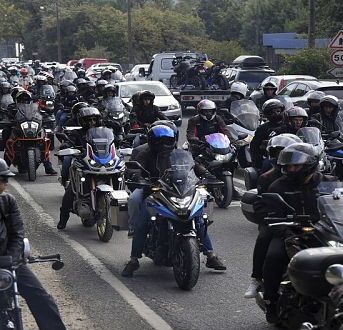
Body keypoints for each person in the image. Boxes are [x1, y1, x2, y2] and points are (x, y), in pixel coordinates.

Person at [261, 143, 343, 322]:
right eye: (288, 166)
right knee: (273, 257)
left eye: (296, 165)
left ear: (310, 164)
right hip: (293, 232)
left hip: (325, 230)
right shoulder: (278, 186)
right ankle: (271, 300)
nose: (291, 169)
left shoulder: (329, 182)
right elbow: (272, 214)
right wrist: (285, 230)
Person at [0, 159, 82, 330]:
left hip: (8, 264)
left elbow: (17, 233)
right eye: (1, 180)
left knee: (42, 298)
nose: (3, 185)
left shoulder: (8, 201)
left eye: (4, 180)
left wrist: (11, 258)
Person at [121, 124, 226, 277]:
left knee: (198, 218)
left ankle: (210, 256)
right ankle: (133, 260)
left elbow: (194, 166)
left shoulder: (180, 153)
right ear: (152, 142)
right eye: (160, 141)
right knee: (141, 219)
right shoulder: (144, 153)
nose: (164, 144)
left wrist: (208, 175)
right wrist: (137, 176)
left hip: (178, 191)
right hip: (153, 190)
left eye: (168, 140)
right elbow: (134, 169)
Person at [244, 134, 303, 299]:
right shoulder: (269, 178)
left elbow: (334, 194)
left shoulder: (316, 178)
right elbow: (261, 203)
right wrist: (273, 218)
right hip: (278, 222)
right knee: (267, 244)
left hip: (308, 224)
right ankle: (258, 280)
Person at [57, 107, 102, 228]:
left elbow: (112, 143)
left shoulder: (103, 132)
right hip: (84, 164)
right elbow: (70, 142)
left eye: (94, 119)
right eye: (88, 120)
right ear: (82, 121)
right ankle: (63, 219)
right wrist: (67, 145)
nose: (92, 122)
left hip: (101, 164)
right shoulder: (77, 133)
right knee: (71, 190)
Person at [186, 99, 242, 197]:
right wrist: (196, 140)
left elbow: (225, 131)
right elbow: (190, 134)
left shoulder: (217, 119)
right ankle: (194, 186)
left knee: (231, 162)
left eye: (210, 111)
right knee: (193, 161)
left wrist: (232, 141)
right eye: (206, 111)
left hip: (215, 145)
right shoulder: (194, 120)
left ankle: (231, 189)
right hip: (199, 145)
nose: (208, 113)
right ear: (200, 112)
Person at [4, 90, 57, 175]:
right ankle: (5, 166)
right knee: (8, 135)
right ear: (17, 100)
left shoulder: (35, 107)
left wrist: (45, 115)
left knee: (44, 139)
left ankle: (48, 167)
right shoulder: (12, 107)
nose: (24, 101)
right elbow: (7, 114)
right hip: (19, 127)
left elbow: (41, 113)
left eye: (26, 99)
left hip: (32, 126)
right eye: (21, 100)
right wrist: (9, 119)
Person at [249, 99, 285, 170]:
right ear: (267, 114)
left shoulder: (287, 125)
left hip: (289, 156)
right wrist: (257, 162)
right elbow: (254, 147)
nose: (276, 114)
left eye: (278, 111)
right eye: (272, 112)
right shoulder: (262, 128)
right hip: (272, 158)